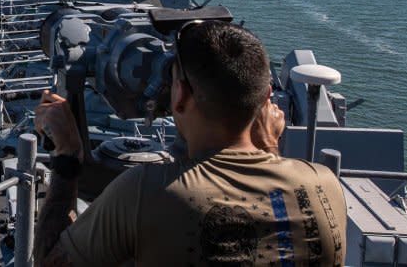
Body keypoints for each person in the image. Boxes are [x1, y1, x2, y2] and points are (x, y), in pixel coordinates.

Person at [34, 21, 346, 266]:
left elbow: (50, 261)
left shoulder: (145, 193)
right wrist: (267, 150)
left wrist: (67, 156)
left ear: (180, 96)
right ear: (266, 99)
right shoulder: (324, 185)